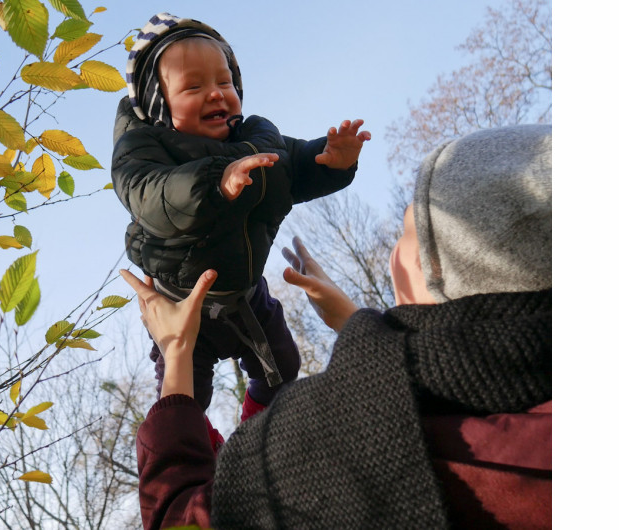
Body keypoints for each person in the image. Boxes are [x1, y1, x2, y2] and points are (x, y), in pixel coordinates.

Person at [121, 124, 552, 529]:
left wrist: (177, 352)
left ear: (432, 266)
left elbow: (180, 515)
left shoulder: (336, 453)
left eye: (407, 231)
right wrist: (358, 327)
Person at [111, 12, 371, 436]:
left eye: (224, 82)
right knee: (184, 402)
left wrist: (330, 161)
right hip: (182, 305)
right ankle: (200, 460)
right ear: (159, 102)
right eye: (194, 86)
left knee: (283, 369)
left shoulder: (257, 138)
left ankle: (254, 440)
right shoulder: (147, 146)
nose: (216, 94)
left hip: (247, 295)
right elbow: (147, 194)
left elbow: (291, 165)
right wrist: (215, 181)